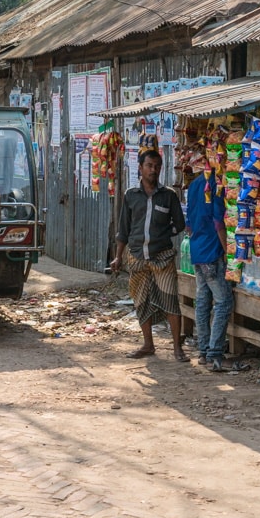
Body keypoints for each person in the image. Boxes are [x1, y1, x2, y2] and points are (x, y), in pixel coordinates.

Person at [110, 148, 187, 361]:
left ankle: (177, 349)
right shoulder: (130, 195)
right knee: (141, 301)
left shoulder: (169, 195)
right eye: (149, 166)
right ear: (141, 168)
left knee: (170, 300)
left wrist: (164, 234)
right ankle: (148, 345)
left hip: (162, 257)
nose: (153, 170)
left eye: (157, 167)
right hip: (136, 257)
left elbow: (179, 224)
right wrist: (118, 256)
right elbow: (123, 229)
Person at [183, 153, 232, 371]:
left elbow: (190, 223)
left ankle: (203, 351)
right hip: (212, 251)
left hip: (196, 250)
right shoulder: (215, 184)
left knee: (203, 300)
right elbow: (218, 221)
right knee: (223, 301)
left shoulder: (194, 186)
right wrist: (226, 250)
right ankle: (214, 352)